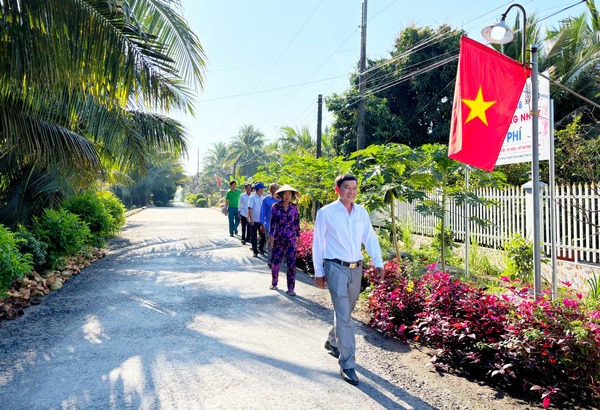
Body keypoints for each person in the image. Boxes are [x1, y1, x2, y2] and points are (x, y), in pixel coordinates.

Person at [312, 174, 385, 387]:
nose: (351, 191)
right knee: (344, 316)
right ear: (337, 189)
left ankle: (333, 340)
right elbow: (318, 242)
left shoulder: (361, 212)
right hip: (334, 267)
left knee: (347, 311)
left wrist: (378, 262)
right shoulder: (326, 213)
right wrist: (318, 271)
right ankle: (347, 364)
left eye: (354, 188)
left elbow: (369, 238)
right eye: (347, 187)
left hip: (356, 269)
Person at [268, 184, 300, 296]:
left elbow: (296, 223)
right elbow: (272, 223)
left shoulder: (294, 207)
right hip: (278, 238)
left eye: (289, 194)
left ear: (292, 195)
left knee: (291, 263)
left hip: (291, 239)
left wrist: (298, 237)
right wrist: (271, 237)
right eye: (285, 194)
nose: (287, 196)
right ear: (281, 195)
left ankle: (291, 288)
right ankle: (274, 282)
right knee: (276, 262)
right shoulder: (275, 207)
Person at [260, 183, 280, 265]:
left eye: (277, 188)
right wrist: (262, 224)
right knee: (270, 242)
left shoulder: (282, 200)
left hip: (279, 226)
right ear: (270, 190)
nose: (276, 190)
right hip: (269, 225)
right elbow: (262, 212)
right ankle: (270, 260)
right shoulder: (266, 199)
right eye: (274, 188)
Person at [248, 182, 266, 258]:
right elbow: (250, 209)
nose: (263, 190)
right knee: (254, 236)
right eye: (262, 189)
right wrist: (251, 219)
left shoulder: (263, 197)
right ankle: (255, 251)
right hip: (254, 220)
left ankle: (260, 247)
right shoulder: (252, 198)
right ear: (259, 189)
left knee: (263, 236)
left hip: (261, 220)